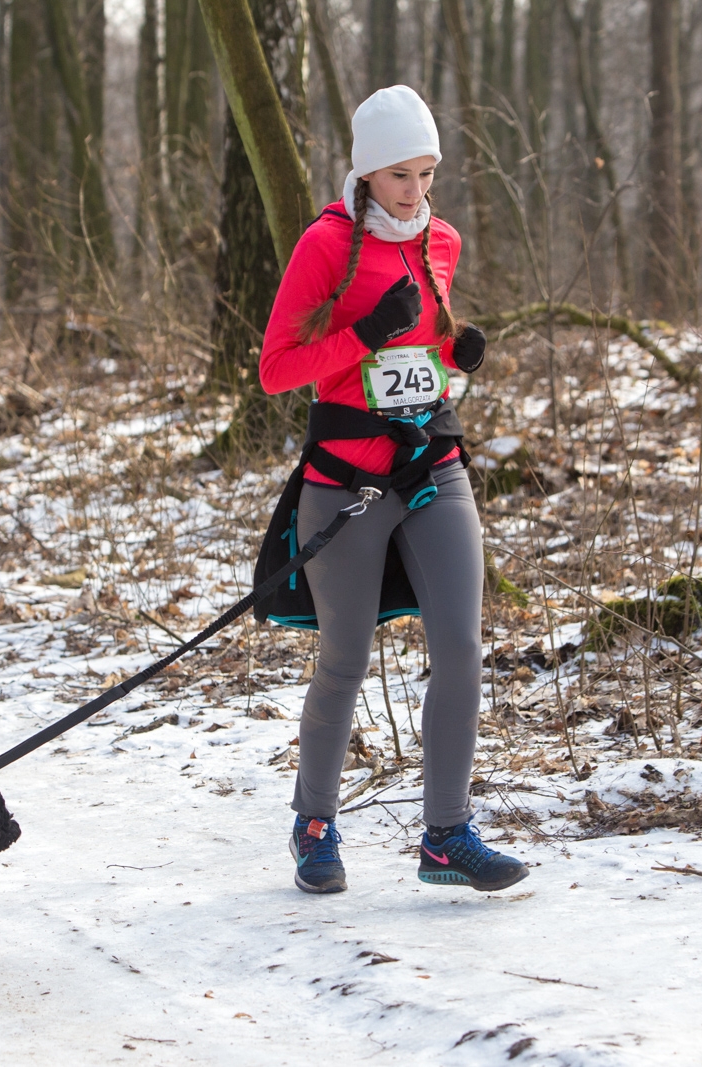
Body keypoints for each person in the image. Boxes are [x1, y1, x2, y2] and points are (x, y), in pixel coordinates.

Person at [256, 86, 527, 895]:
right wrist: (359, 336)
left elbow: (427, 348)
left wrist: (457, 351)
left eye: (428, 173)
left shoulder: (442, 241)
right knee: (344, 659)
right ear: (368, 172)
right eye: (402, 175)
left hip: (432, 466)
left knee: (461, 650)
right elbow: (278, 371)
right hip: (344, 479)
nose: (417, 191)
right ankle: (313, 825)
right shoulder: (324, 245)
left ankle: (445, 835)